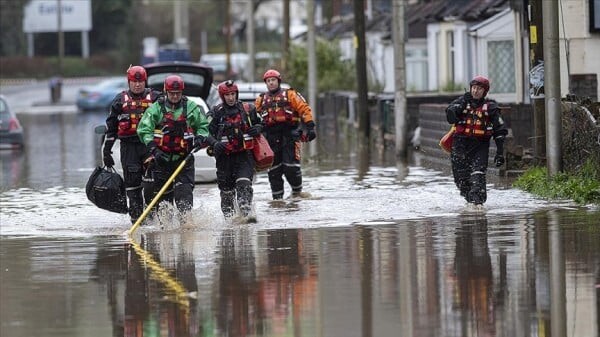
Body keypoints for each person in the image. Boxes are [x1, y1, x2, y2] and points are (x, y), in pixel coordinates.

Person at [136, 74, 210, 216]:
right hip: (161, 159)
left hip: (184, 160)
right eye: (172, 93)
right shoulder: (155, 109)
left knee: (184, 197)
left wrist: (200, 137)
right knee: (164, 203)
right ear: (166, 92)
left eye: (178, 93)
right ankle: (165, 232)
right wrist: (154, 149)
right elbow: (144, 130)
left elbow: (203, 126)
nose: (175, 96)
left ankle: (186, 230)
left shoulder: (191, 108)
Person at [102, 65, 162, 223]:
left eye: (140, 81)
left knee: (152, 185)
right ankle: (136, 219)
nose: (137, 84)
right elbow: (111, 129)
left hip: (150, 147)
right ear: (129, 82)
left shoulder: (156, 98)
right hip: (129, 149)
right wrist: (106, 152)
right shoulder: (119, 101)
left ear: (145, 81)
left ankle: (153, 219)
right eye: (134, 82)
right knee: (133, 186)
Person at [445, 75, 508, 205]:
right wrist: (461, 104)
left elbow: (500, 131)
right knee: (461, 180)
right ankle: (470, 201)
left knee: (478, 175)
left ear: (484, 91)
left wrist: (500, 153)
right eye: (473, 88)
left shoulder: (491, 107)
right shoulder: (461, 102)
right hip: (460, 145)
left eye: (479, 89)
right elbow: (450, 117)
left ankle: (478, 205)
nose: (475, 91)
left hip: (480, 146)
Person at [254, 69, 316, 200]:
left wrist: (310, 126)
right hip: (271, 137)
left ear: (278, 81)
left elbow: (304, 108)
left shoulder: (290, 95)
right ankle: (277, 201)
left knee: (291, 167)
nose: (271, 83)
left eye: (273, 80)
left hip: (290, 134)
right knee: (274, 171)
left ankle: (297, 193)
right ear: (266, 83)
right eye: (268, 81)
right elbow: (254, 117)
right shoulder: (261, 99)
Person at [206, 80, 263, 218]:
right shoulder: (215, 113)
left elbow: (262, 122)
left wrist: (259, 128)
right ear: (222, 96)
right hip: (224, 159)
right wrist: (214, 143)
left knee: (244, 185)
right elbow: (204, 132)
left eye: (233, 94)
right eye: (227, 95)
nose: (231, 98)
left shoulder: (248, 109)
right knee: (227, 196)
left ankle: (246, 216)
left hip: (244, 156)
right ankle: (230, 224)